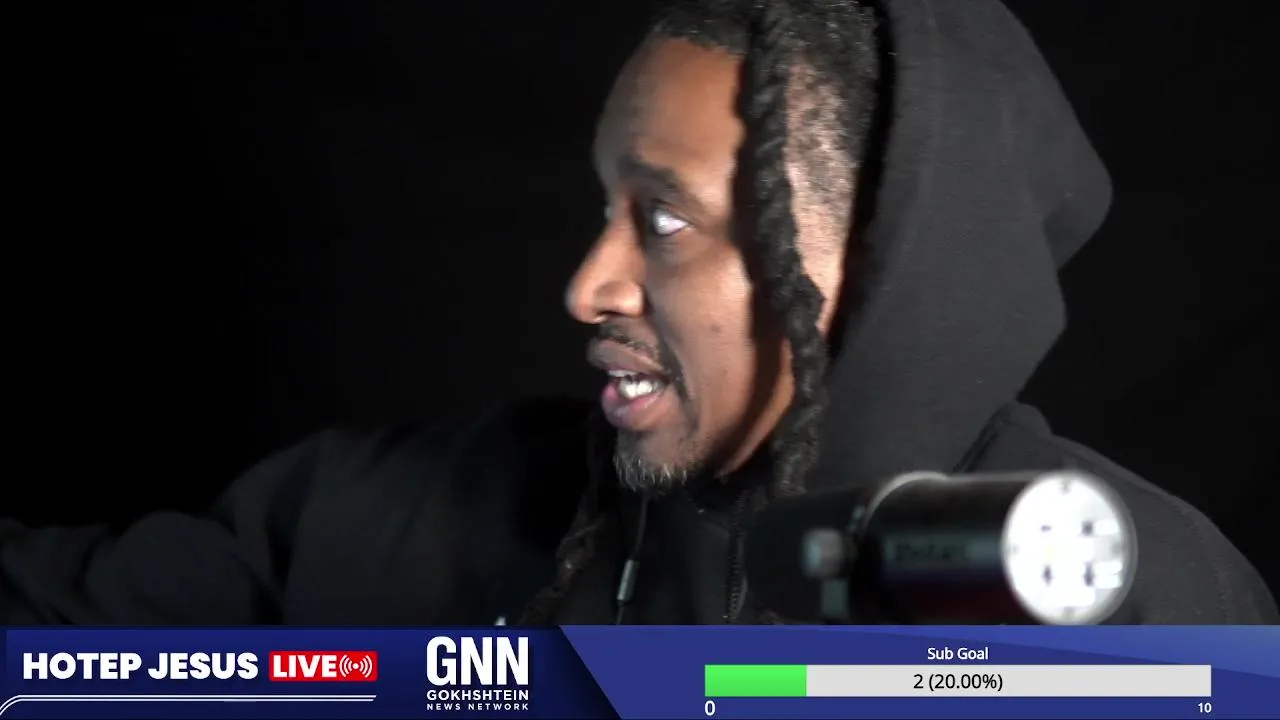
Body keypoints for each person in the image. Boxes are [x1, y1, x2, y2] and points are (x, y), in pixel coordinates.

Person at [2, 0, 1274, 626]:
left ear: (878, 263)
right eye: (603, 207)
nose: (587, 286)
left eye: (661, 221)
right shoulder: (394, 512)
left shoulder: (1147, 606)